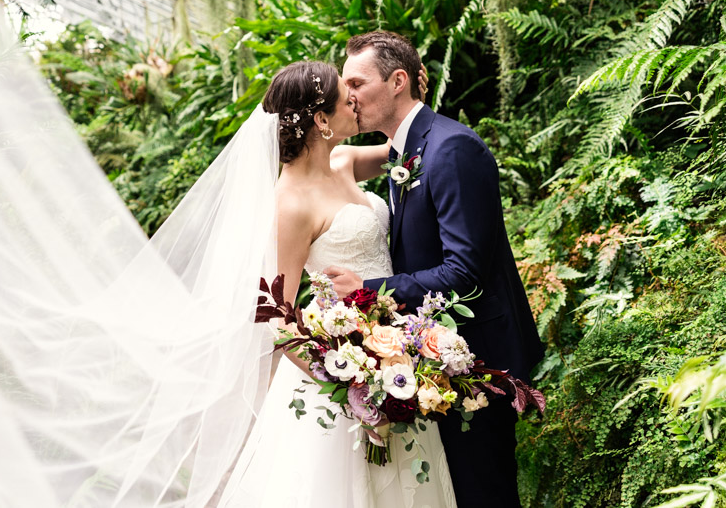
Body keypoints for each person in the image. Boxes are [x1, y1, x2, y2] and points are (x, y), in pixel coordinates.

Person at [218, 61, 457, 507]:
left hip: (396, 351)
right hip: (344, 371)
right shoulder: (289, 205)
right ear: (322, 120)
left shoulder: (345, 161)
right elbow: (276, 315)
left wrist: (409, 100)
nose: (354, 97)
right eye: (344, 92)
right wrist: (352, 386)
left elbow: (409, 145)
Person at [326, 31, 544, 508]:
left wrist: (369, 287)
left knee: (483, 492)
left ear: (398, 81)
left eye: (358, 83)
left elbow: (465, 271)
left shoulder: (451, 149)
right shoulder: (403, 149)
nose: (349, 96)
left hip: (478, 364)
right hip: (433, 363)